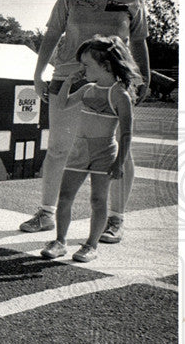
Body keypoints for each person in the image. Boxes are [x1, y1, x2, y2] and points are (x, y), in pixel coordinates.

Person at [21, 0, 150, 244]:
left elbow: (139, 41)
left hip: (112, 86)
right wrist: (39, 73)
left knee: (118, 151)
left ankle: (116, 219)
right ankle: (46, 213)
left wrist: (142, 76)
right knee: (59, 149)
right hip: (67, 79)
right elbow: (52, 35)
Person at [40, 35, 138, 263]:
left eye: (86, 65)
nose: (82, 69)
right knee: (64, 197)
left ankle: (91, 245)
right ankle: (59, 242)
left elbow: (126, 132)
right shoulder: (87, 89)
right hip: (79, 151)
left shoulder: (120, 95)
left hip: (104, 154)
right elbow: (62, 104)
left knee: (98, 200)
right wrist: (67, 81)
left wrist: (119, 162)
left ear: (105, 65)